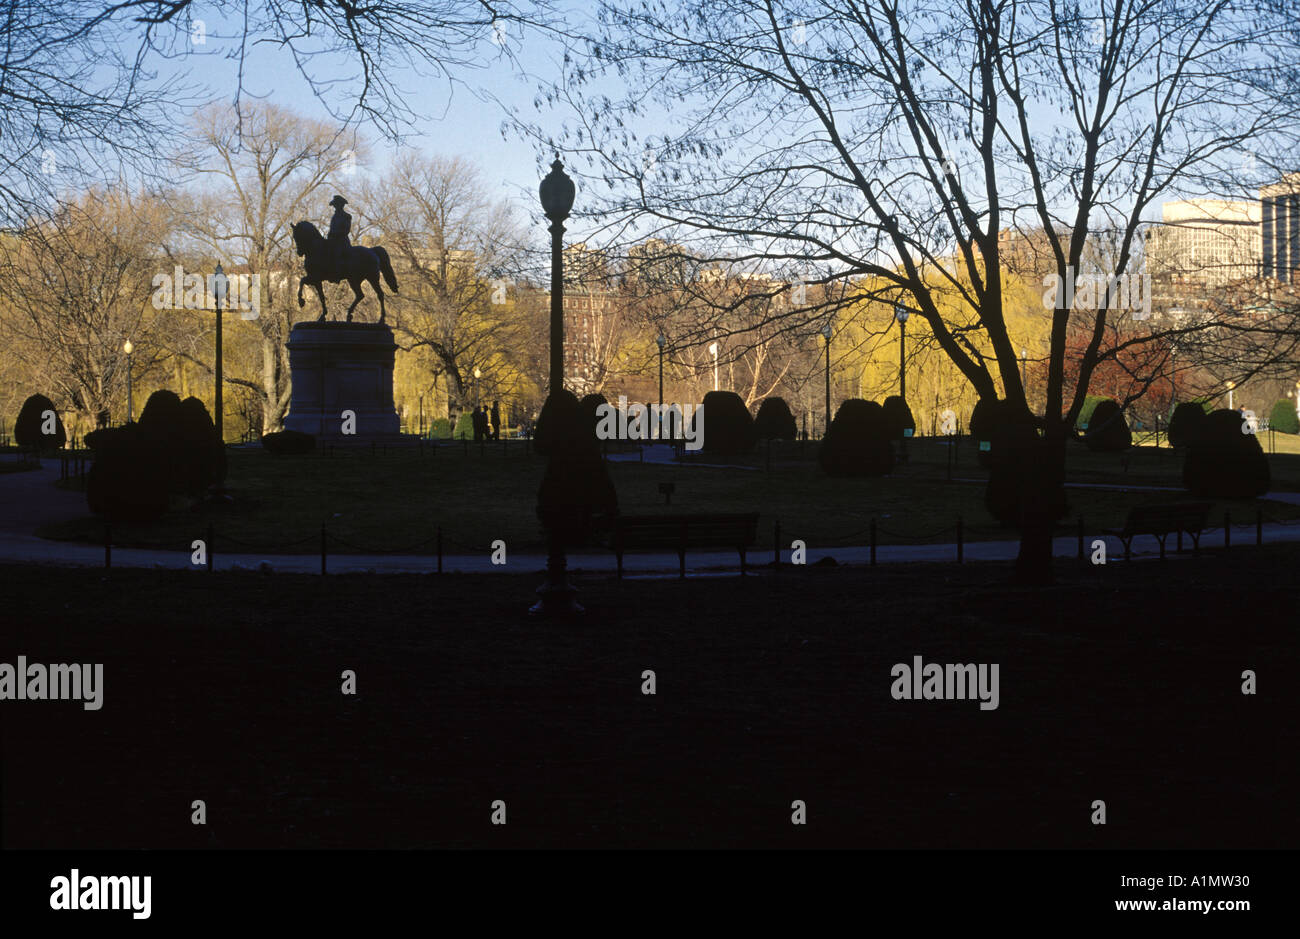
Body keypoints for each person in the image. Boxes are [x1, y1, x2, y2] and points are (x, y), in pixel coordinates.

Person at [327, 195, 351, 268]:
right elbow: (331, 228)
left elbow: (346, 230)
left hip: (342, 241)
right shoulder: (334, 216)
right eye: (334, 205)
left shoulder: (346, 216)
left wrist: (335, 234)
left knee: (337, 253)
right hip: (332, 240)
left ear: (341, 205)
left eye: (336, 205)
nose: (335, 207)